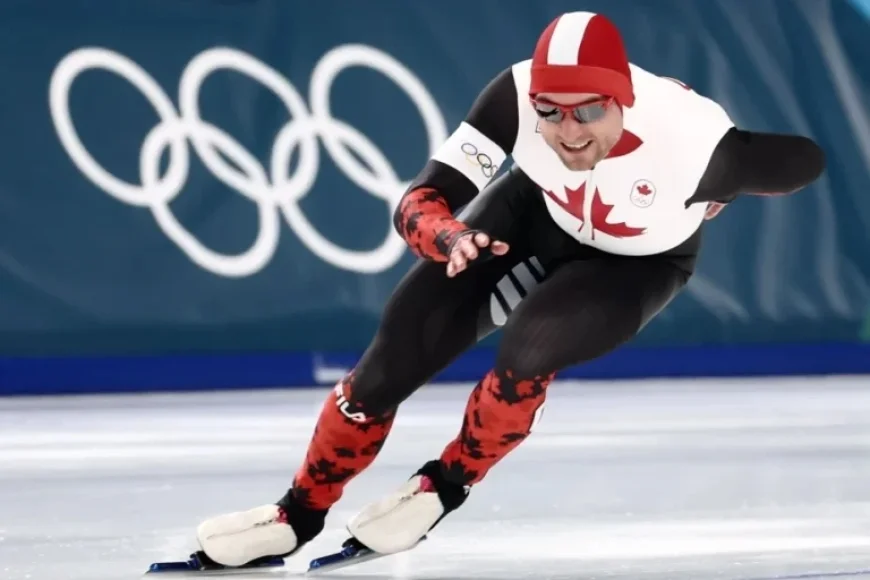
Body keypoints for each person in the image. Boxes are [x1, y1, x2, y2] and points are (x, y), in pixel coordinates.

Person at [194, 11, 826, 567]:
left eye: (589, 112)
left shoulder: (697, 146)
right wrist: (445, 236)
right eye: (551, 114)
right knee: (390, 358)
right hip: (532, 217)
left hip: (636, 263)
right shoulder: (514, 95)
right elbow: (422, 198)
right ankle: (298, 513)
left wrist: (728, 184)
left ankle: (446, 483)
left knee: (528, 352)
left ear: (623, 98)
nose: (569, 133)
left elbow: (806, 161)